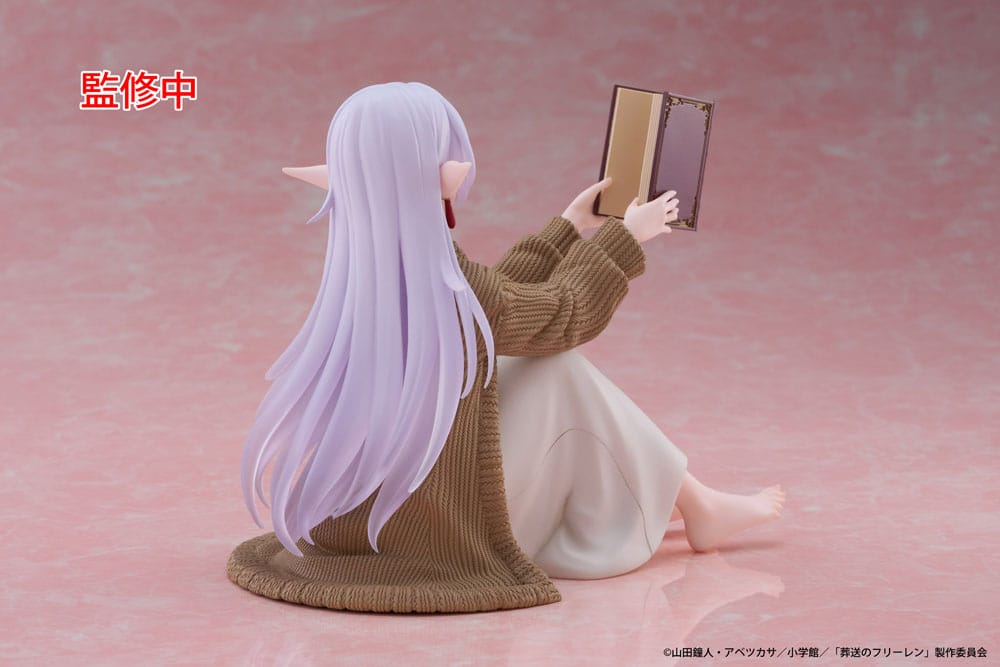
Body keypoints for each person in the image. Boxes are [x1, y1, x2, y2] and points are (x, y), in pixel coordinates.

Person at [227, 82, 784, 613]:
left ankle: (691, 499)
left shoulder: (364, 277)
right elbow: (563, 314)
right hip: (439, 523)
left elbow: (490, 309)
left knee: (532, 361)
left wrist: (567, 227)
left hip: (383, 512)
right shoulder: (446, 285)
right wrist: (625, 236)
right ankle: (697, 502)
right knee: (559, 369)